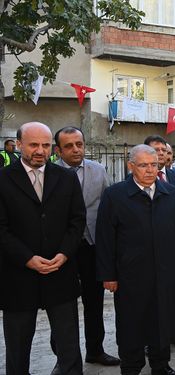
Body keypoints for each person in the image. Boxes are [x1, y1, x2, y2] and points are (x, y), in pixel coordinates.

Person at [96, 144, 175, 375]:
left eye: (154, 165)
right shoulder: (115, 195)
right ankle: (131, 366)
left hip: (165, 272)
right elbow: (105, 238)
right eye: (143, 165)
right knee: (132, 324)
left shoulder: (172, 194)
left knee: (163, 320)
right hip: (130, 275)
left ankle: (161, 364)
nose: (150, 170)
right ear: (131, 166)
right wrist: (108, 275)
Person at [0, 122, 86, 375]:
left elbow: (77, 220)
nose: (40, 150)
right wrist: (27, 258)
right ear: (18, 145)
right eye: (34, 144)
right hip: (18, 276)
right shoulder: (3, 179)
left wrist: (63, 254)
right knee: (17, 346)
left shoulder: (67, 177)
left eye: (46, 145)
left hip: (60, 273)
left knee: (69, 344)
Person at [53, 126, 119, 366]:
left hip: (92, 247)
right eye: (69, 146)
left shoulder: (99, 171)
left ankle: (95, 350)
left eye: (79, 144)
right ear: (58, 150)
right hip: (61, 252)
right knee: (62, 308)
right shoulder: (50, 173)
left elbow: (109, 207)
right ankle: (64, 359)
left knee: (94, 303)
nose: (75, 149)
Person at [144, 135, 175, 351]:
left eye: (164, 150)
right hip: (146, 253)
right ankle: (149, 339)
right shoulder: (137, 180)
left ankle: (174, 333)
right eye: (155, 150)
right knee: (149, 300)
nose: (161, 153)